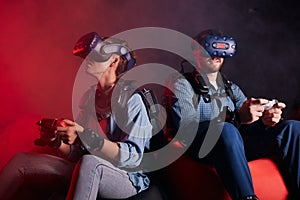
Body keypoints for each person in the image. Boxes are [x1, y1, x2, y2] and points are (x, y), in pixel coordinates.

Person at [0, 32, 153, 200]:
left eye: (93, 55)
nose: (86, 59)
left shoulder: (132, 99)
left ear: (114, 60)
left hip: (127, 178)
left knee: (90, 163)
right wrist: (58, 142)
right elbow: (77, 154)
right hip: (88, 166)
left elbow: (132, 158)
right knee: (22, 161)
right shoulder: (89, 99)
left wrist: (87, 136)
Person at [169, 29, 300, 200]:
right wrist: (235, 118)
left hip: (235, 147)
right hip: (202, 147)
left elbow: (249, 125)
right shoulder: (180, 84)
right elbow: (186, 130)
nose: (216, 55)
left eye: (220, 51)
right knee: (226, 130)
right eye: (209, 50)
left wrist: (264, 120)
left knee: (293, 127)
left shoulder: (231, 88)